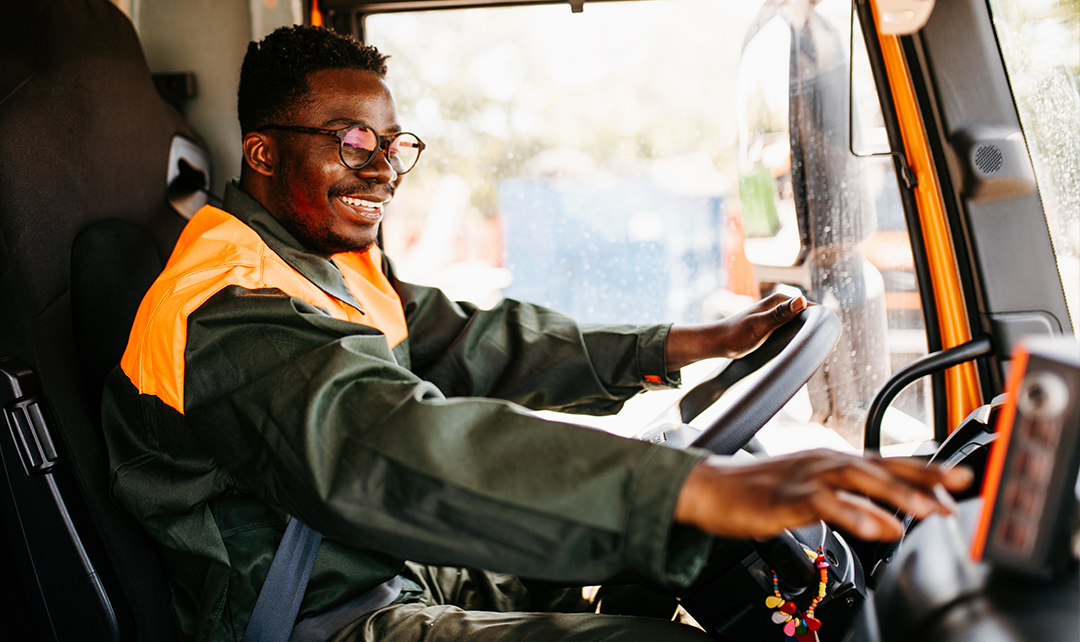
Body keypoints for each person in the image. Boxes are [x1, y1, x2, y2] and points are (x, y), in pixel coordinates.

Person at [102, 25, 971, 642]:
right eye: (350, 139)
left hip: (387, 557)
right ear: (261, 151)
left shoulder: (321, 259)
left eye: (392, 144)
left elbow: (477, 341)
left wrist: (681, 344)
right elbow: (390, 445)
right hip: (324, 610)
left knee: (693, 556)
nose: (380, 167)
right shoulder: (225, 304)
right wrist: (684, 491)